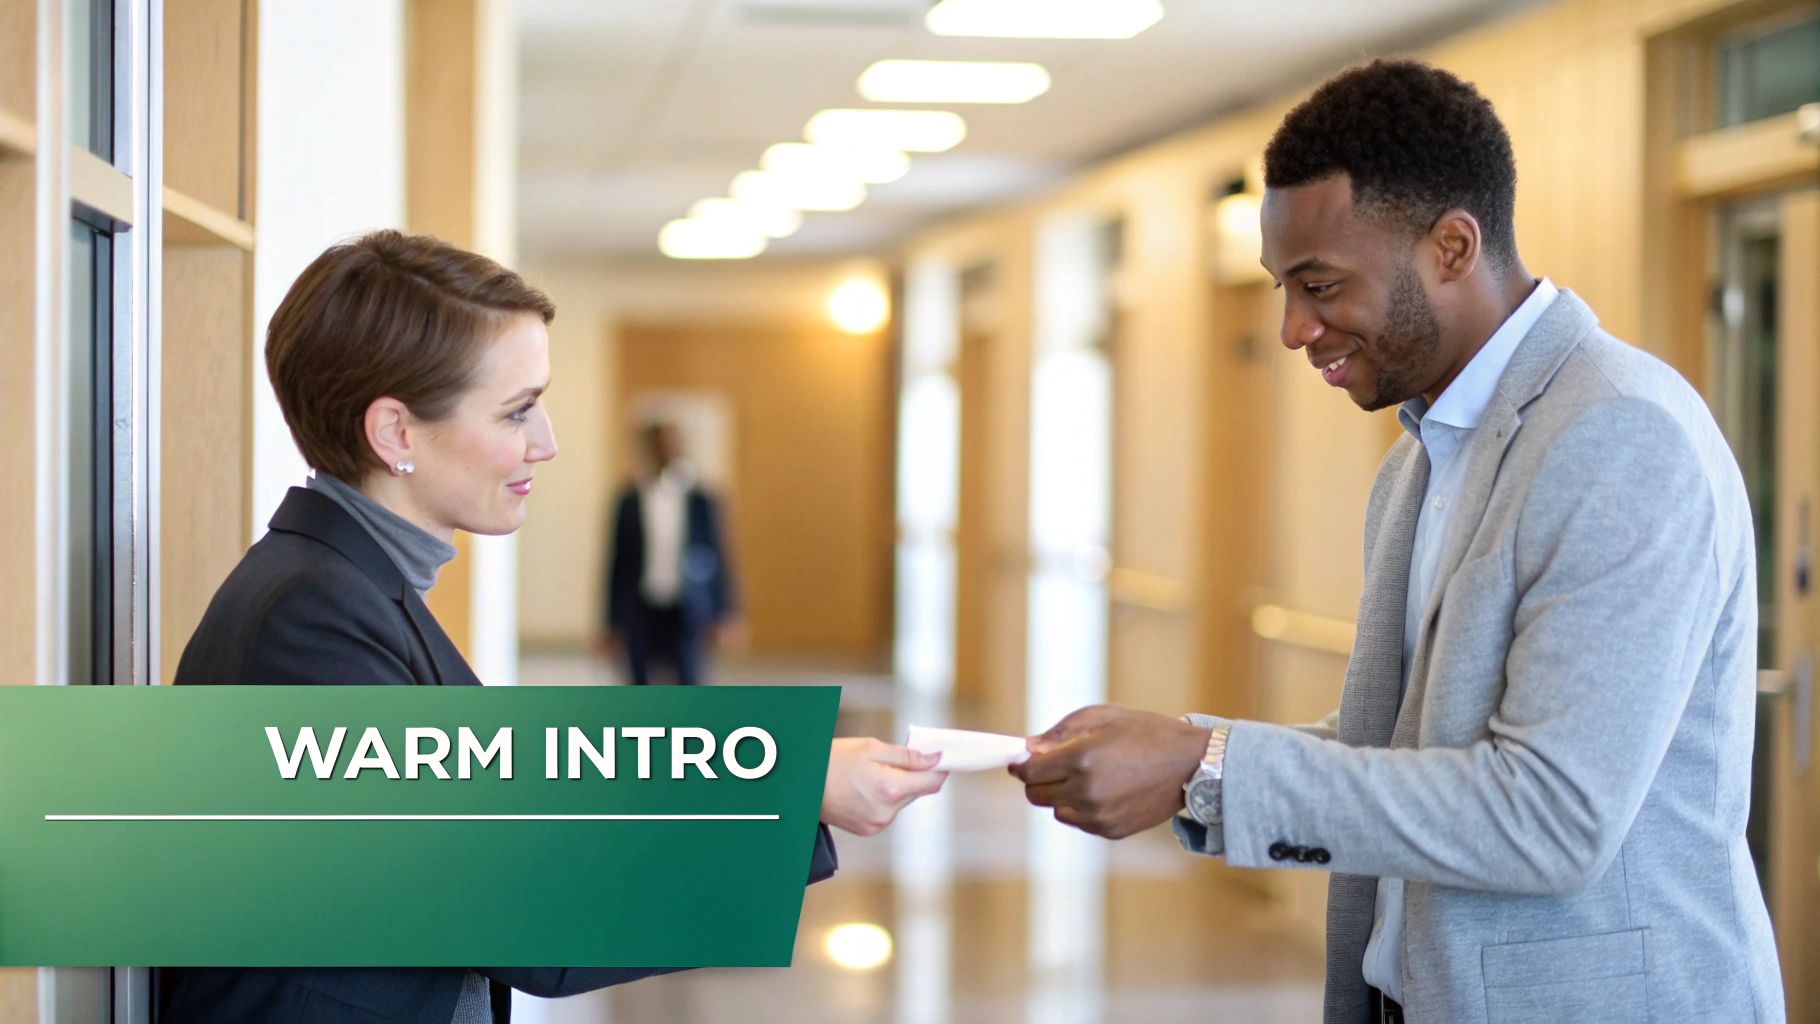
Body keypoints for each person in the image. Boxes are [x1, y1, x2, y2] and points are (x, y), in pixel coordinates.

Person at [1011, 60, 1783, 1024]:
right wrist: (1188, 763)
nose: (1294, 329)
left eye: (1321, 285)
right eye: (1284, 289)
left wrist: (1204, 763)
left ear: (1452, 246)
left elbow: (1551, 815)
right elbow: (1409, 747)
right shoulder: (1421, 456)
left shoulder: (1620, 435)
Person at [161, 230, 946, 1023]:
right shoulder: (313, 616)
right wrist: (795, 795)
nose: (547, 443)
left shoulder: (343, 588)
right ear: (395, 432)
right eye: (517, 411)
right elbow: (524, 908)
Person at [600, 422, 742, 685]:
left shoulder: (700, 499)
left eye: (671, 444)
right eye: (659, 445)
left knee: (690, 679)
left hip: (687, 604)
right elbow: (616, 564)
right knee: (638, 683)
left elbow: (718, 557)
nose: (665, 450)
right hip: (640, 605)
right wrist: (611, 622)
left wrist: (726, 611)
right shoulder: (629, 500)